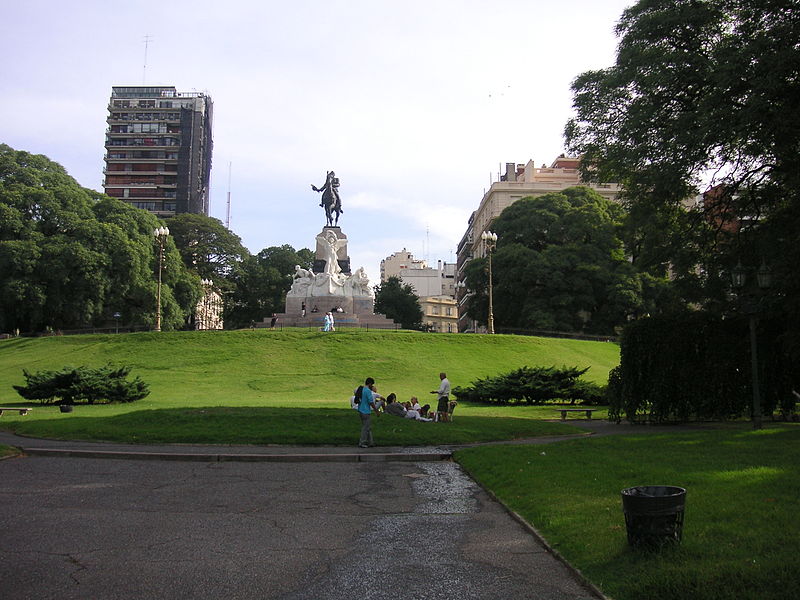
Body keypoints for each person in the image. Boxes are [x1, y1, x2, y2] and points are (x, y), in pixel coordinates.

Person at [355, 377, 380, 448]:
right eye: (372, 384)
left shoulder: (362, 389)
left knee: (367, 427)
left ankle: (371, 442)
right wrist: (376, 411)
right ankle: (362, 442)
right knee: (366, 428)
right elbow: (371, 402)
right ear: (369, 383)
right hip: (366, 411)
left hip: (360, 410)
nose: (372, 386)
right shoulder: (368, 391)